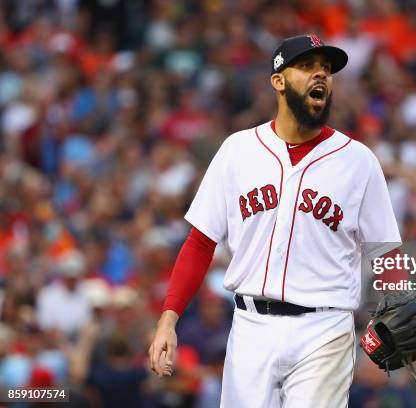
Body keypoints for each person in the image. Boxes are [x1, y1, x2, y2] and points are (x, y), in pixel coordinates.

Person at [148, 34, 402, 407]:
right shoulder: (238, 150)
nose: (321, 76)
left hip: (325, 329)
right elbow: (201, 242)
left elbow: (386, 252)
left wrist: (396, 306)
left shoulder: (358, 161)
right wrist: (168, 319)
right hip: (251, 327)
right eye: (308, 67)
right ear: (278, 81)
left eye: (327, 70)